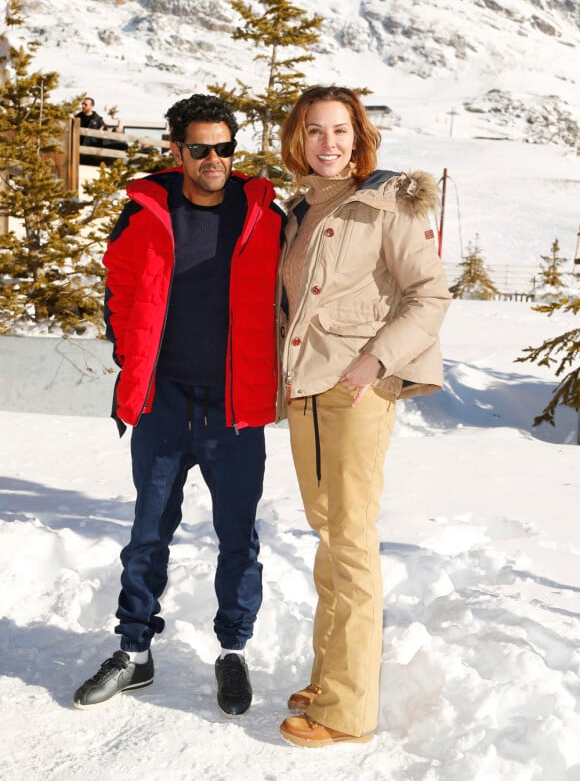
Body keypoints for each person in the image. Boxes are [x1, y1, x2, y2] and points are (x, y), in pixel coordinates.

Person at [73, 94, 284, 715]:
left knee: (238, 538)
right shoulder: (144, 215)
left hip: (234, 410)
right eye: (200, 148)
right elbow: (118, 288)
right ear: (177, 151)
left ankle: (232, 653)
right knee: (147, 534)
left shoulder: (264, 216)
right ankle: (134, 653)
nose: (214, 159)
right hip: (164, 405)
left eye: (224, 148)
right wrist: (129, 354)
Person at [276, 86, 451, 747]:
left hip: (353, 391)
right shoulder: (301, 208)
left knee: (350, 541)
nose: (329, 144)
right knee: (331, 536)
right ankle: (331, 677)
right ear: (300, 138)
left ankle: (347, 712)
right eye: (316, 131)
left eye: (341, 131)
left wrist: (375, 363)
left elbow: (429, 293)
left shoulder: (387, 204)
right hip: (304, 391)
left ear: (360, 137)